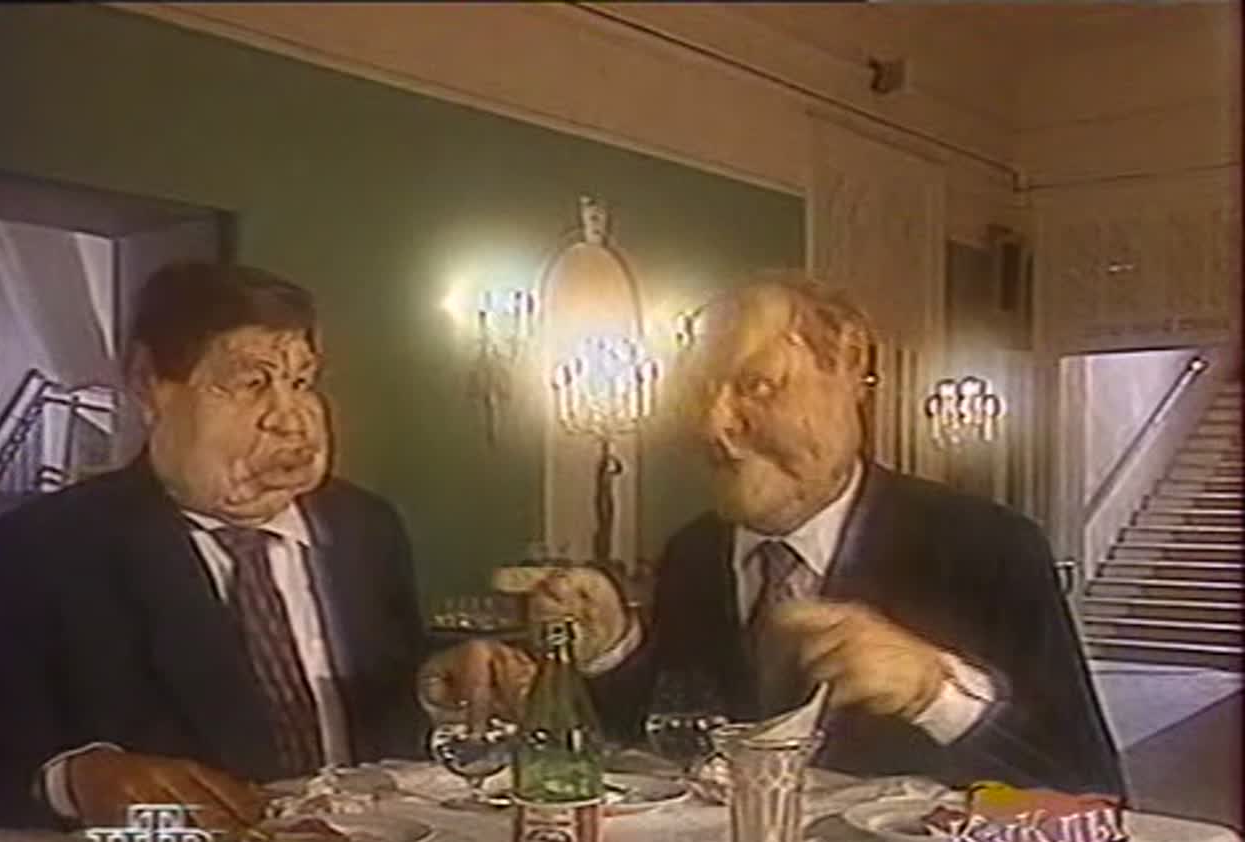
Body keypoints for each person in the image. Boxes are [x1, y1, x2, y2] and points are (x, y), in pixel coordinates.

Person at [419, 271, 1124, 797]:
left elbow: (1088, 788)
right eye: (700, 392)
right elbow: (664, 746)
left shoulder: (986, 549)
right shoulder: (694, 553)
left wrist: (933, 694)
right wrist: (611, 652)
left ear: (848, 365)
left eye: (755, 386)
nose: (712, 426)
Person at [0, 262, 488, 830]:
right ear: (149, 385)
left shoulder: (367, 527)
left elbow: (388, 708)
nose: (291, 421)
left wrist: (438, 688)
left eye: (302, 382)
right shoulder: (33, 554)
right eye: (252, 383)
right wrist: (72, 781)